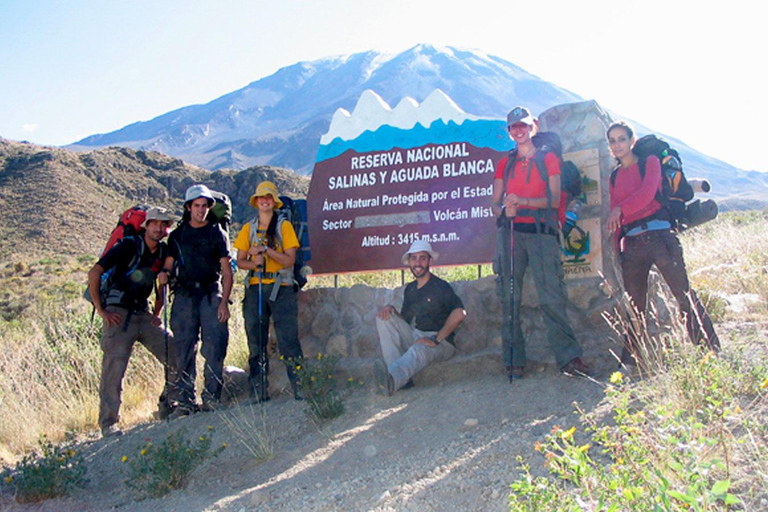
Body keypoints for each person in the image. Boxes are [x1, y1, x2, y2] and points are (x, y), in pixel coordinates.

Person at [605, 121, 720, 365]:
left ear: (632, 140)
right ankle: (631, 362)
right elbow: (617, 221)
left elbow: (647, 194)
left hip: (661, 239)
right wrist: (617, 249)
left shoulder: (650, 163)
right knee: (634, 306)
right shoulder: (614, 176)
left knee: (683, 295)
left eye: (622, 139)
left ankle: (710, 350)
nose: (617, 145)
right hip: (633, 246)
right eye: (613, 141)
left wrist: (619, 209)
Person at [491, 106, 592, 380]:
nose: (519, 131)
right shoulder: (505, 163)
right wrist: (504, 210)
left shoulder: (548, 159)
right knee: (509, 298)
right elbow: (493, 204)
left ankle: (569, 358)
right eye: (513, 127)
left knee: (552, 298)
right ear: (509, 131)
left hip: (541, 233)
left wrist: (522, 202)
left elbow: (554, 199)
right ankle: (513, 360)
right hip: (510, 234)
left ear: (532, 126)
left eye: (523, 125)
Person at [88, 207, 178, 437]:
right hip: (117, 314)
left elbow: (161, 286)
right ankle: (109, 423)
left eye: (163, 224)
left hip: (142, 313)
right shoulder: (128, 245)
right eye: (154, 223)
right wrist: (101, 310)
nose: (158, 228)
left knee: (174, 354)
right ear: (146, 225)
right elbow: (95, 272)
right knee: (114, 370)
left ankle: (169, 406)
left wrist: (156, 313)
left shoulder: (163, 252)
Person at [159, 184, 233, 415]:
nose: (201, 210)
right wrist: (164, 275)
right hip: (184, 295)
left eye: (205, 206)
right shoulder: (178, 236)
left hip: (211, 293)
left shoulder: (216, 233)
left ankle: (211, 397)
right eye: (197, 206)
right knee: (183, 348)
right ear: (188, 207)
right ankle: (185, 401)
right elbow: (169, 266)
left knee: (215, 345)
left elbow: (227, 270)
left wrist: (224, 302)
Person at [233, 181, 304, 402]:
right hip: (256, 289)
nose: (265, 201)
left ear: (274, 201)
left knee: (288, 340)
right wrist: (256, 262)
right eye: (261, 198)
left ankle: (300, 387)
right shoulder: (248, 228)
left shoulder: (284, 227)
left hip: (281, 289)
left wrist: (266, 251)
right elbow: (240, 262)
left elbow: (289, 260)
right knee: (256, 341)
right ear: (256, 202)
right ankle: (257, 391)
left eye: (269, 197)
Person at [373, 240, 466, 396]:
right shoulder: (410, 289)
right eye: (414, 258)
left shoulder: (440, 286)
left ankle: (392, 381)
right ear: (409, 262)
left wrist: (436, 339)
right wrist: (392, 312)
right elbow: (405, 321)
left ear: (430, 261)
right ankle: (398, 379)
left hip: (440, 342)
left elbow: (460, 313)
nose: (418, 263)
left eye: (422, 258)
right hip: (416, 335)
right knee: (383, 318)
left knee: (418, 350)